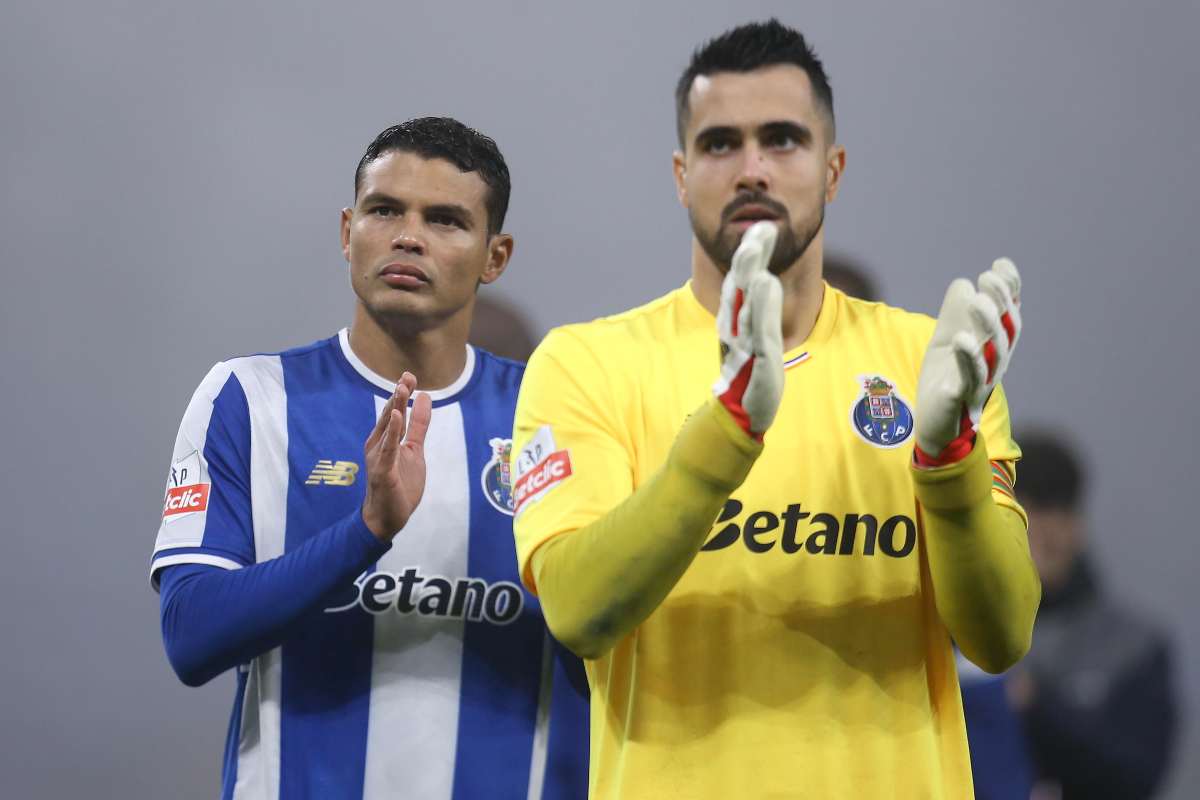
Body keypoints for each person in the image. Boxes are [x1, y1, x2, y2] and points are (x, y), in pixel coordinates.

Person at [510, 20, 1039, 799]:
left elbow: (1001, 639)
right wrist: (727, 430)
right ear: (682, 174)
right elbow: (578, 611)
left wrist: (949, 461)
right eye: (721, 144)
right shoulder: (587, 363)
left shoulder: (932, 364)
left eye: (782, 140)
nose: (751, 169)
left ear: (833, 169)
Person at [151, 117, 588, 800]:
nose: (408, 235)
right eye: (385, 210)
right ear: (348, 231)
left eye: (445, 220)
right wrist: (365, 534)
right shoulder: (250, 398)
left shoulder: (555, 417)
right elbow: (191, 635)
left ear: (494, 257)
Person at [1011, 431, 1178, 799]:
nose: (1039, 529)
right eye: (1023, 511)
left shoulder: (1137, 648)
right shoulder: (944, 638)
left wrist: (1035, 704)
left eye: (1053, 508)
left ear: (1077, 524)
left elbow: (1136, 777)